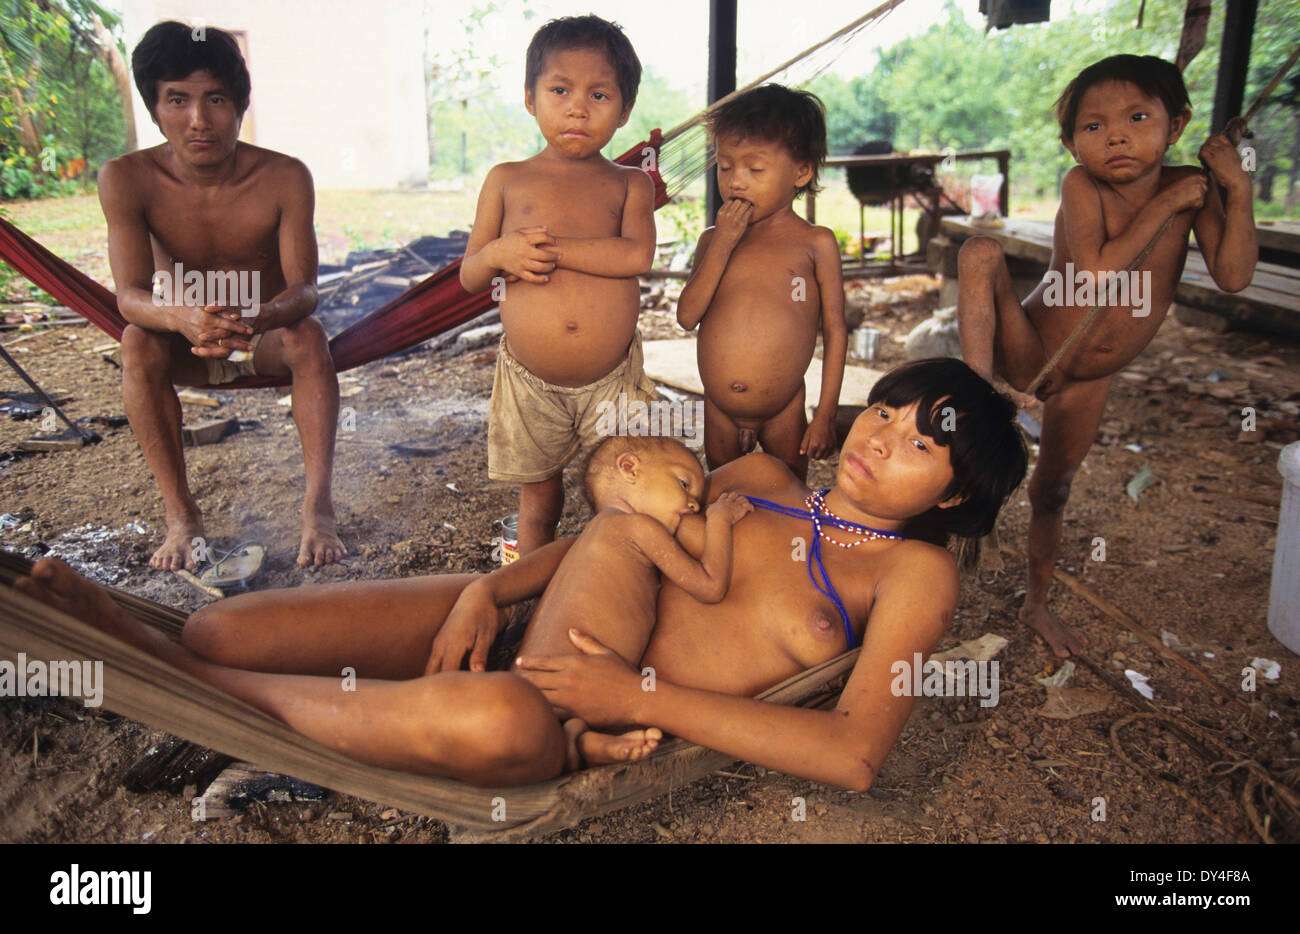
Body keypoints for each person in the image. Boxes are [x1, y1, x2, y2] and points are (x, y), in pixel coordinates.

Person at [15, 359, 1026, 791]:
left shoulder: (914, 577)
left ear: (952, 496)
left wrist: (636, 694)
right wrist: (485, 590)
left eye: (920, 444)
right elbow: (618, 533)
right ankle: (169, 657)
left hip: (563, 714)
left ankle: (155, 677)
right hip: (524, 623)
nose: (881, 438)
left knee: (499, 721)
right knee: (221, 627)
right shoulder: (762, 476)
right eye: (887, 411)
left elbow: (852, 755)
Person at [956, 54, 1256, 657]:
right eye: (1093, 127)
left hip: (1090, 377)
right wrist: (1166, 206)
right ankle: (972, 383)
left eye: (1138, 117)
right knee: (980, 252)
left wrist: (1236, 188)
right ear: (1071, 145)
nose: (1115, 135)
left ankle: (1035, 603)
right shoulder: (1084, 185)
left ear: (1176, 126)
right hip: (1034, 350)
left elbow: (1233, 275)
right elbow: (1092, 274)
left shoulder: (1190, 190)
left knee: (1055, 490)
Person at [99, 21, 344, 570]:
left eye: (215, 99)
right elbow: (129, 295)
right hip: (180, 340)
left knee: (309, 337)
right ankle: (181, 516)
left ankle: (318, 510)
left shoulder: (284, 176)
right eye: (177, 100)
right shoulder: (126, 178)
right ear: (154, 107)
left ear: (239, 105)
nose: (199, 120)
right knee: (137, 342)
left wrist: (257, 316)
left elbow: (305, 290)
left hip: (264, 337)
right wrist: (182, 317)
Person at [459, 15, 657, 556]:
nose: (577, 107)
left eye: (599, 94)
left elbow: (637, 254)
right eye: (560, 90)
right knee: (538, 502)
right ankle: (528, 594)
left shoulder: (630, 183)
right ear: (530, 98)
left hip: (612, 380)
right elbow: (470, 274)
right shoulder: (507, 178)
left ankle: (613, 582)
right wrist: (499, 253)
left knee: (621, 493)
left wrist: (555, 249)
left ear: (625, 111)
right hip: (530, 382)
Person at [516, 435, 752, 769]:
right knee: (548, 723)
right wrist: (719, 521)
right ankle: (575, 739)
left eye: (698, 499)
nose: (694, 505)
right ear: (629, 468)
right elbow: (710, 587)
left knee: (556, 726)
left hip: (538, 681)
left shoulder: (595, 533)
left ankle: (578, 740)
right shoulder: (637, 528)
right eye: (684, 484)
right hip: (563, 678)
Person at [676, 84, 846, 482]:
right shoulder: (710, 241)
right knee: (722, 495)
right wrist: (723, 242)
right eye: (724, 166)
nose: (736, 182)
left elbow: (836, 329)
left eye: (755, 169)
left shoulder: (814, 243)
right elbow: (687, 316)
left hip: (785, 407)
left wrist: (825, 414)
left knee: (788, 495)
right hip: (719, 407)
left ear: (801, 172)